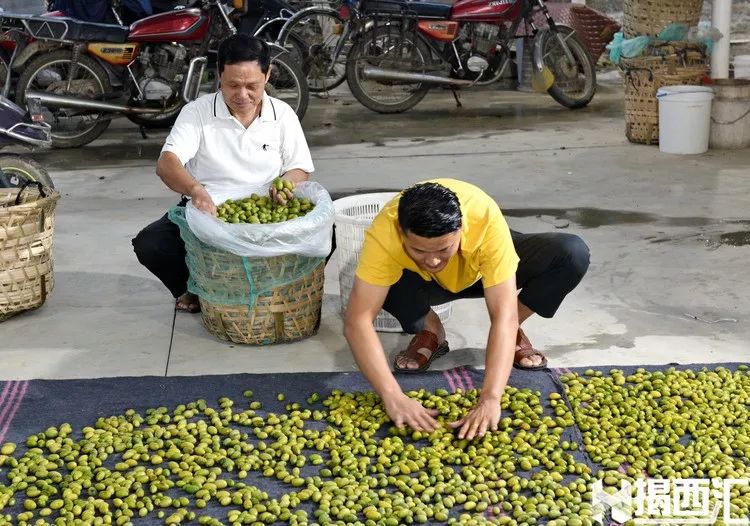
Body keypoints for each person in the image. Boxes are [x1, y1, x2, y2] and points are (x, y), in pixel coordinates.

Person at [344, 179, 589, 440]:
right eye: (418, 249)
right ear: (400, 232)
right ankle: (431, 329)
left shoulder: (485, 220)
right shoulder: (385, 230)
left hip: (480, 274)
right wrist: (392, 395)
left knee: (571, 253)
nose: (434, 260)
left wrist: (491, 399)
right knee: (375, 286)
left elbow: (502, 317)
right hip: (422, 283)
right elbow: (357, 320)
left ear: (460, 229)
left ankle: (514, 334)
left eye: (443, 248)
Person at [132, 34, 313, 312]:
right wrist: (195, 191)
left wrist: (285, 183)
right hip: (209, 211)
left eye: (252, 85)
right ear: (219, 77)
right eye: (233, 85)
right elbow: (167, 163)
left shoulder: (283, 114)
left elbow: (300, 167)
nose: (242, 95)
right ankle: (193, 287)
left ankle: (269, 289)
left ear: (267, 75)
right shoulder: (198, 113)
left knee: (327, 236)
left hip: (267, 211)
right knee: (151, 244)